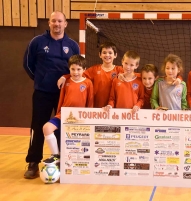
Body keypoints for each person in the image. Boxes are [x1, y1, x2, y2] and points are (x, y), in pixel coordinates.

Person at [23, 11, 80, 179]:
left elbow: (77, 69)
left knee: (62, 128)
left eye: (60, 21)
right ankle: (33, 162)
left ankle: (64, 162)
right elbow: (27, 64)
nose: (57, 24)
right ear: (49, 23)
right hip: (42, 93)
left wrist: (65, 79)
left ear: (65, 24)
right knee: (38, 127)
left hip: (65, 95)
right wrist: (41, 79)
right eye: (54, 21)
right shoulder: (37, 42)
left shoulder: (72, 45)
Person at [43, 55, 94, 165]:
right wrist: (58, 114)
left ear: (84, 70)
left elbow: (90, 102)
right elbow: (61, 100)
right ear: (69, 69)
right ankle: (55, 155)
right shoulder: (66, 81)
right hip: (64, 115)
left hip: (80, 118)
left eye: (79, 69)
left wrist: (88, 118)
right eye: (73, 69)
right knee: (47, 128)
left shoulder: (88, 83)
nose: (76, 72)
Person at [57, 41, 123, 108]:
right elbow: (77, 74)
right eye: (104, 52)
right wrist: (64, 77)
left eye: (110, 53)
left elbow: (133, 76)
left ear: (115, 55)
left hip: (114, 107)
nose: (107, 55)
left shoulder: (120, 70)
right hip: (96, 106)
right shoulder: (94, 69)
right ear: (100, 55)